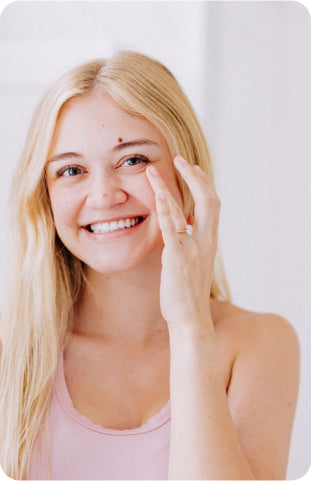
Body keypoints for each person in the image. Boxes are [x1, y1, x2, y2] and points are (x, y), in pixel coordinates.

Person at [0, 50, 299, 480]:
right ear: (44, 195)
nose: (103, 195)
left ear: (187, 173)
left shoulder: (259, 345)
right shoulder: (11, 345)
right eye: (71, 170)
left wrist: (189, 323)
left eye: (133, 160)